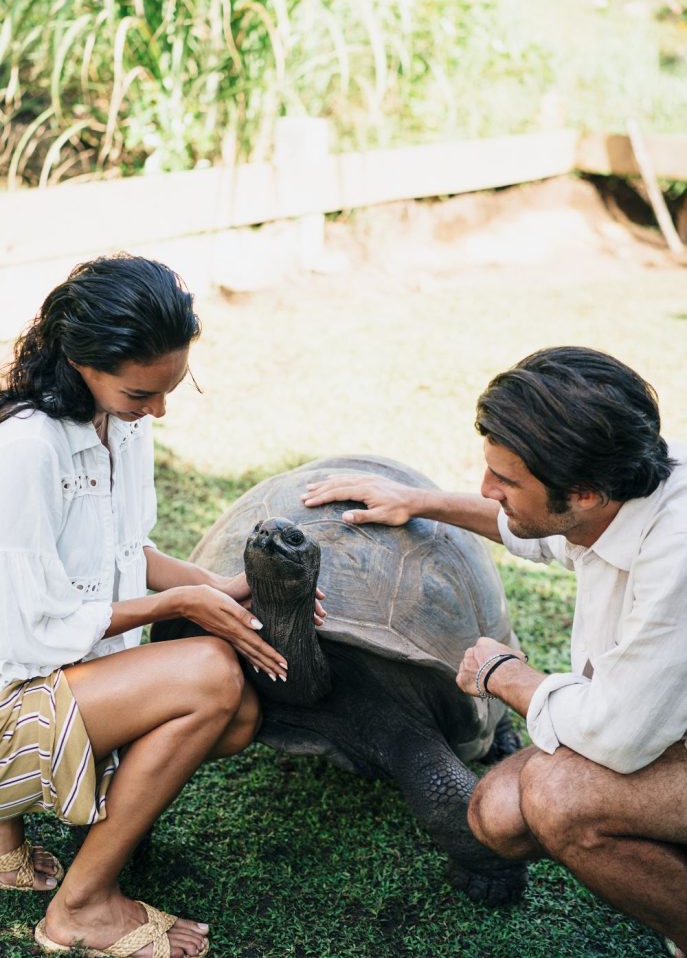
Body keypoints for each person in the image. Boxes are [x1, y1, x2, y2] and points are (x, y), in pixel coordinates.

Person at [302, 345, 687, 957]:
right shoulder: (625, 490)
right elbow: (535, 534)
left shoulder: (677, 556)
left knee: (556, 800)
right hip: (659, 727)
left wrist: (507, 677)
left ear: (584, 492)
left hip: (638, 729)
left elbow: (617, 736)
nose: (486, 489)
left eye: (505, 480)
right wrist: (418, 500)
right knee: (500, 812)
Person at [0, 254, 324, 958]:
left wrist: (221, 589)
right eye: (141, 392)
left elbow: (124, 551)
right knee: (209, 674)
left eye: (171, 388)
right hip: (14, 683)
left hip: (41, 684)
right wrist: (177, 605)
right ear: (80, 359)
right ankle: (78, 908)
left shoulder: (123, 426)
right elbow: (33, 627)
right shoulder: (25, 448)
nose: (159, 409)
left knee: (236, 716)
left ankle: (9, 838)